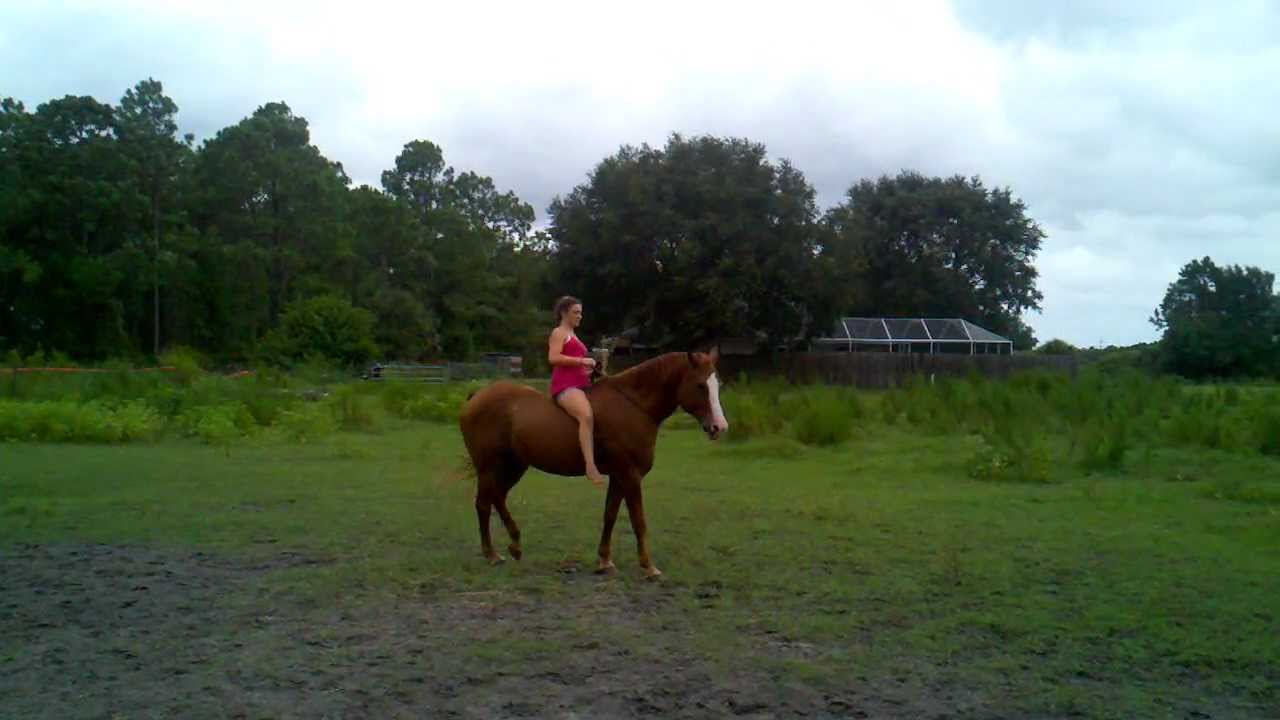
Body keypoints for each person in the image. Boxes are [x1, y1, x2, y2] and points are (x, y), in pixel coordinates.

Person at [547, 295, 605, 488]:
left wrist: (589, 369)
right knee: (586, 416)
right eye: (576, 312)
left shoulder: (574, 334)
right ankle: (590, 465)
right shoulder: (559, 332)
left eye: (580, 312)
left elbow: (572, 362)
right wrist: (582, 361)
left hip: (581, 384)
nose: (580, 316)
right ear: (564, 313)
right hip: (565, 386)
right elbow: (553, 358)